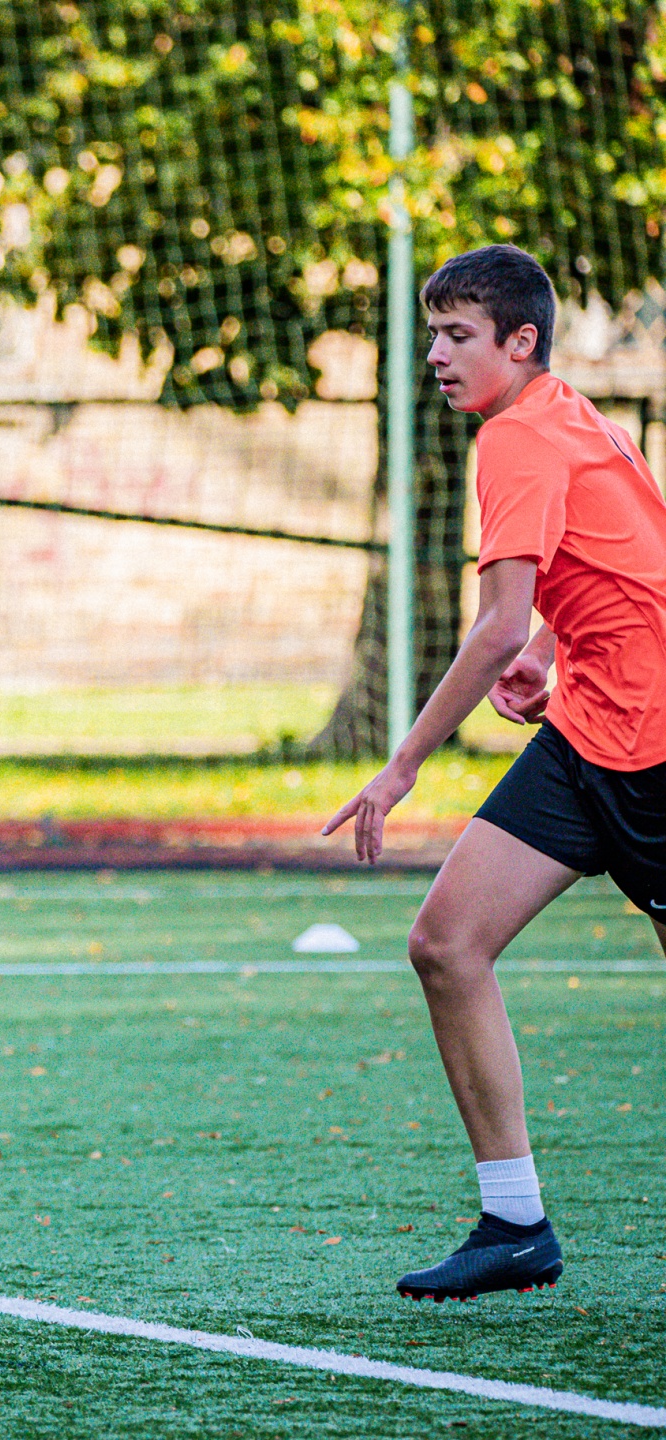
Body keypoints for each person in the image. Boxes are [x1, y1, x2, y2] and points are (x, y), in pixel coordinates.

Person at [325, 244, 666, 1301]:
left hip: (655, 744)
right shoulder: (565, 414)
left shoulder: (519, 437)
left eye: (456, 335)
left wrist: (399, 770)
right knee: (447, 944)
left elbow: (494, 629)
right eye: (432, 334)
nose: (435, 355)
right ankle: (515, 1223)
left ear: (521, 342)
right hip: (590, 731)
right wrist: (556, 653)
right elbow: (618, 563)